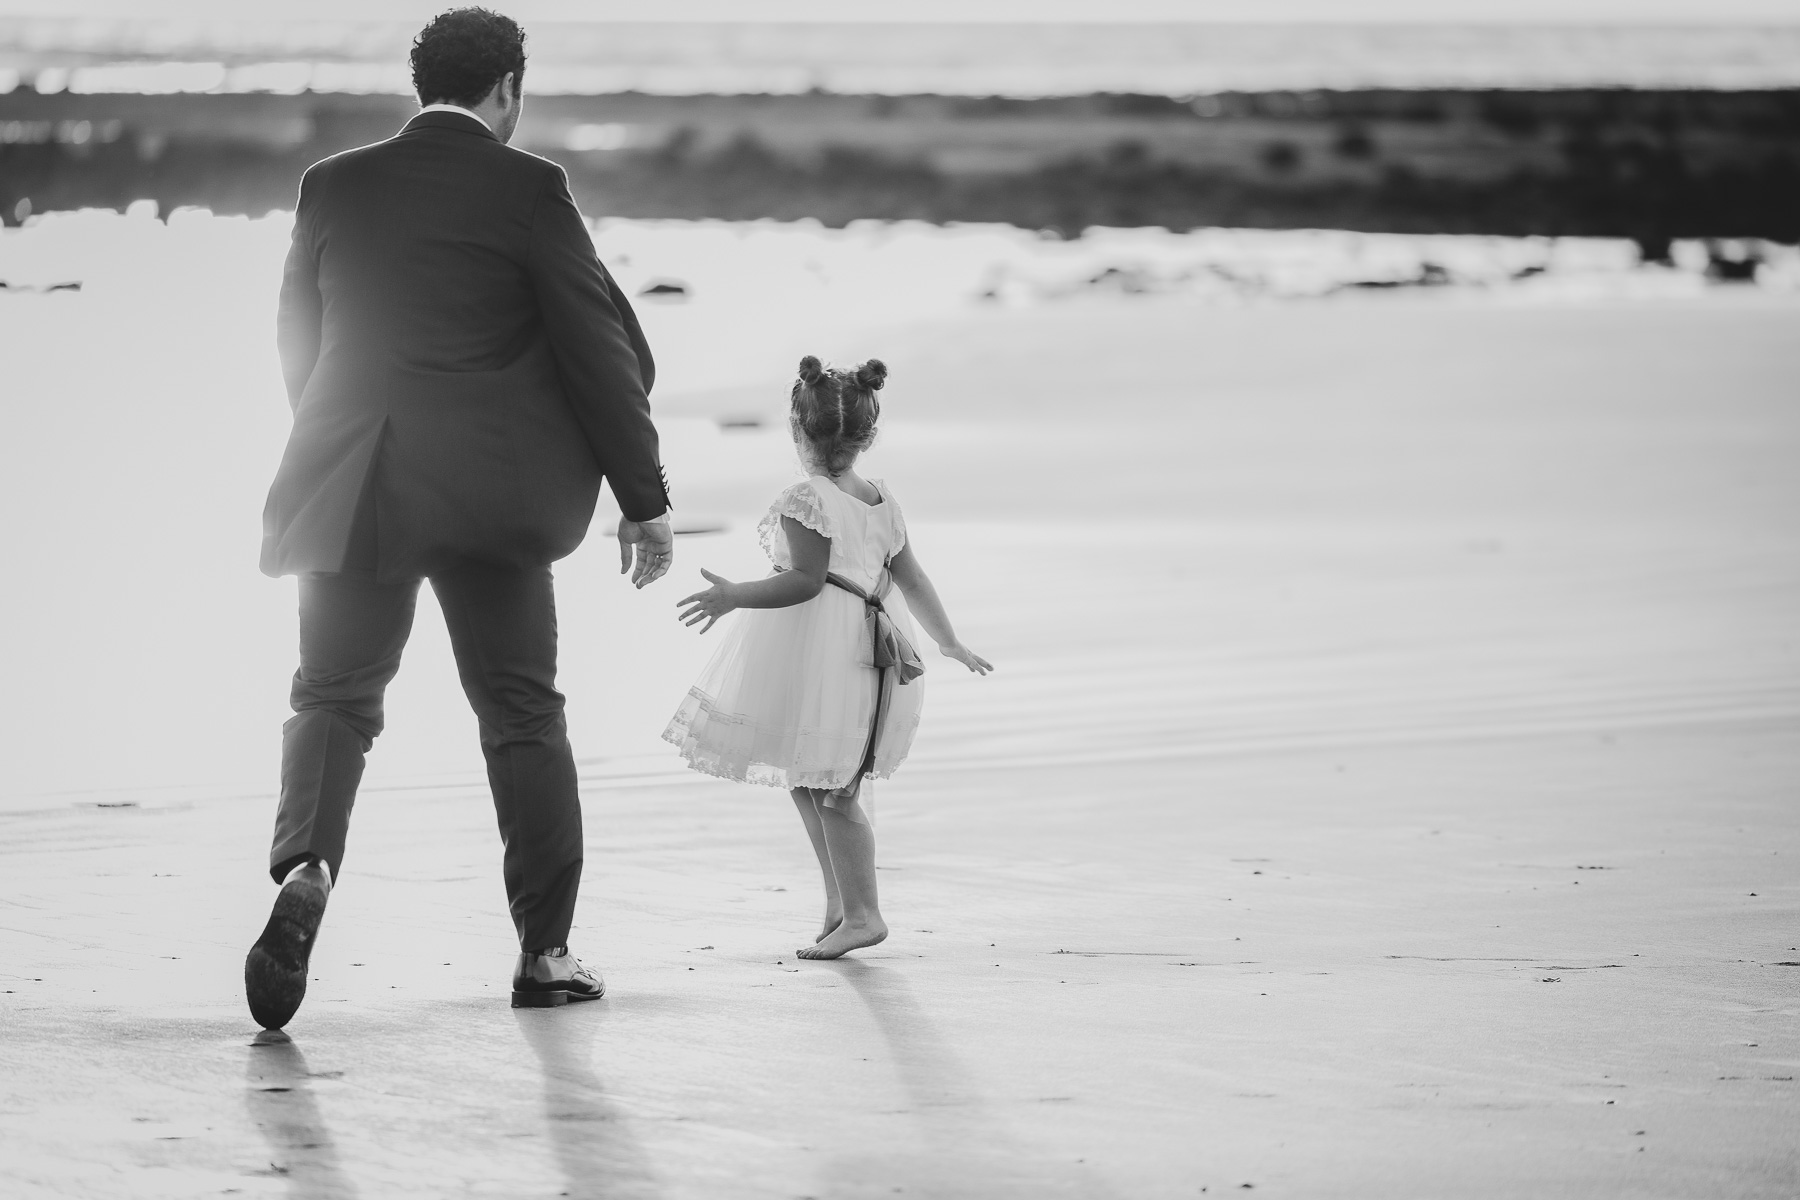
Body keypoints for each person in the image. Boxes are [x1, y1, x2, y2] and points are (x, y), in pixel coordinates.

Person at [245, 7, 673, 1029]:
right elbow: (600, 351)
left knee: (333, 699)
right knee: (521, 713)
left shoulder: (333, 184)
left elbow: (296, 338)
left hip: (353, 489)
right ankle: (546, 954)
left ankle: (306, 867)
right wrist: (643, 501)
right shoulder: (531, 191)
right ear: (510, 89)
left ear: (419, 80)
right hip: (491, 500)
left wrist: (337, 435)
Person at [662, 357, 993, 960]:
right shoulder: (880, 499)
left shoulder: (805, 499)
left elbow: (806, 582)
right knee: (810, 775)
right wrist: (946, 640)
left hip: (836, 651)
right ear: (867, 436)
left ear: (796, 428)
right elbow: (910, 576)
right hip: (872, 642)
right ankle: (841, 901)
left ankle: (864, 914)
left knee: (835, 788)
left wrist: (735, 595)